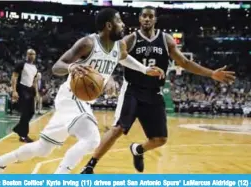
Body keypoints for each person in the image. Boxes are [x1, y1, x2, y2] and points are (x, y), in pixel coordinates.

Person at [0, 8, 163, 174]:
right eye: (119, 21)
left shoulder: (119, 47)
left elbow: (125, 59)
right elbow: (57, 66)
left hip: (82, 101)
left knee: (43, 148)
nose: (123, 24)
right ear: (109, 25)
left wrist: (145, 69)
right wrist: (71, 67)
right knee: (92, 139)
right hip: (71, 96)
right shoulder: (88, 43)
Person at [81, 6, 236, 174]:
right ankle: (90, 165)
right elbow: (111, 55)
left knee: (160, 139)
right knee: (118, 128)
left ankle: (138, 150)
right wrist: (108, 77)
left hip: (154, 93)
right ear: (140, 19)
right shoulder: (131, 39)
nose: (147, 19)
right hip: (132, 90)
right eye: (144, 16)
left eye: (150, 16)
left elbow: (184, 63)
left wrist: (212, 73)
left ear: (155, 20)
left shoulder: (166, 40)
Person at [11, 49, 39, 143]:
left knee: (31, 112)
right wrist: (14, 91)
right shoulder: (21, 64)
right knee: (25, 112)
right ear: (27, 55)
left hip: (30, 89)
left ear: (35, 56)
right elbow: (14, 77)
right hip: (22, 88)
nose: (31, 55)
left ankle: (19, 128)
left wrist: (37, 93)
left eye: (33, 54)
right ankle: (23, 135)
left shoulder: (35, 67)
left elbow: (34, 81)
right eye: (30, 54)